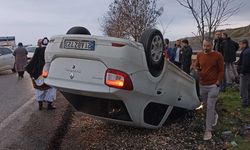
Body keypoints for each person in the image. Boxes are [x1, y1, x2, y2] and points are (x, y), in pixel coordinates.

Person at [195, 38, 224, 140]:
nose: (205, 48)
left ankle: (208, 130)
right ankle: (214, 115)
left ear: (212, 45)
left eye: (208, 46)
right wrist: (198, 70)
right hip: (202, 84)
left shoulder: (218, 55)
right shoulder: (199, 55)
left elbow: (221, 70)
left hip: (213, 85)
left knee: (210, 106)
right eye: (204, 46)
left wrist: (217, 82)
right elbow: (197, 65)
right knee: (206, 106)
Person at [26, 38, 56, 110]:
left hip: (38, 74)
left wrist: (30, 71)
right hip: (49, 73)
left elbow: (32, 62)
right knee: (50, 89)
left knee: (39, 90)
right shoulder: (51, 52)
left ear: (41, 44)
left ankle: (40, 105)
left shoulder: (37, 50)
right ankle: (49, 105)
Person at [237, 39, 250, 107]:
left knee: (243, 88)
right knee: (248, 87)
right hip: (248, 72)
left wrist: (242, 72)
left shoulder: (246, 53)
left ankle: (245, 102)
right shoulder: (247, 51)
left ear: (244, 44)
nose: (239, 45)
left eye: (240, 44)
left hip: (245, 73)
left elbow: (245, 64)